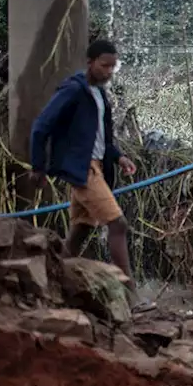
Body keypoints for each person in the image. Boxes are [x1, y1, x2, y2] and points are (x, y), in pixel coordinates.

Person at [28, 39, 149, 310]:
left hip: (94, 165)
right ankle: (131, 295)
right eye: (104, 65)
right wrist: (38, 167)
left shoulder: (99, 95)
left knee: (81, 230)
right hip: (83, 170)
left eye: (112, 67)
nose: (108, 71)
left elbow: (101, 139)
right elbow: (40, 127)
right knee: (118, 225)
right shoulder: (73, 91)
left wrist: (119, 157)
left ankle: (49, 284)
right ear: (90, 62)